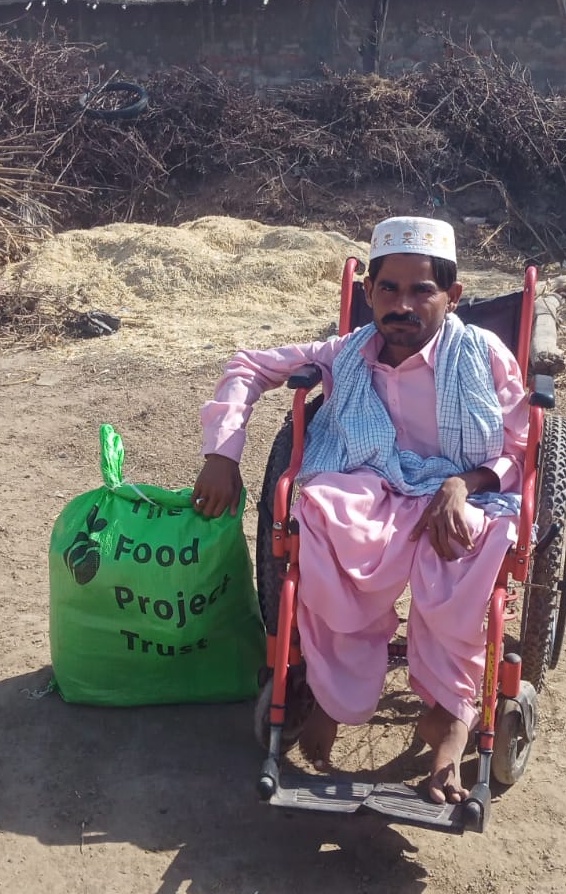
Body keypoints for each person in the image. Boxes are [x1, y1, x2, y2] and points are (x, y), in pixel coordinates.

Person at [193, 217, 529, 804]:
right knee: (324, 513)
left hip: (465, 489)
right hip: (372, 485)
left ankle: (451, 718)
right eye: (388, 289)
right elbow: (248, 365)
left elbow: (521, 448)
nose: (403, 305)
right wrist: (222, 454)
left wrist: (463, 482)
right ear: (368, 292)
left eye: (422, 290)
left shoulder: (484, 355)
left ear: (452, 296)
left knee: (461, 549)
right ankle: (334, 698)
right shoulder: (346, 353)